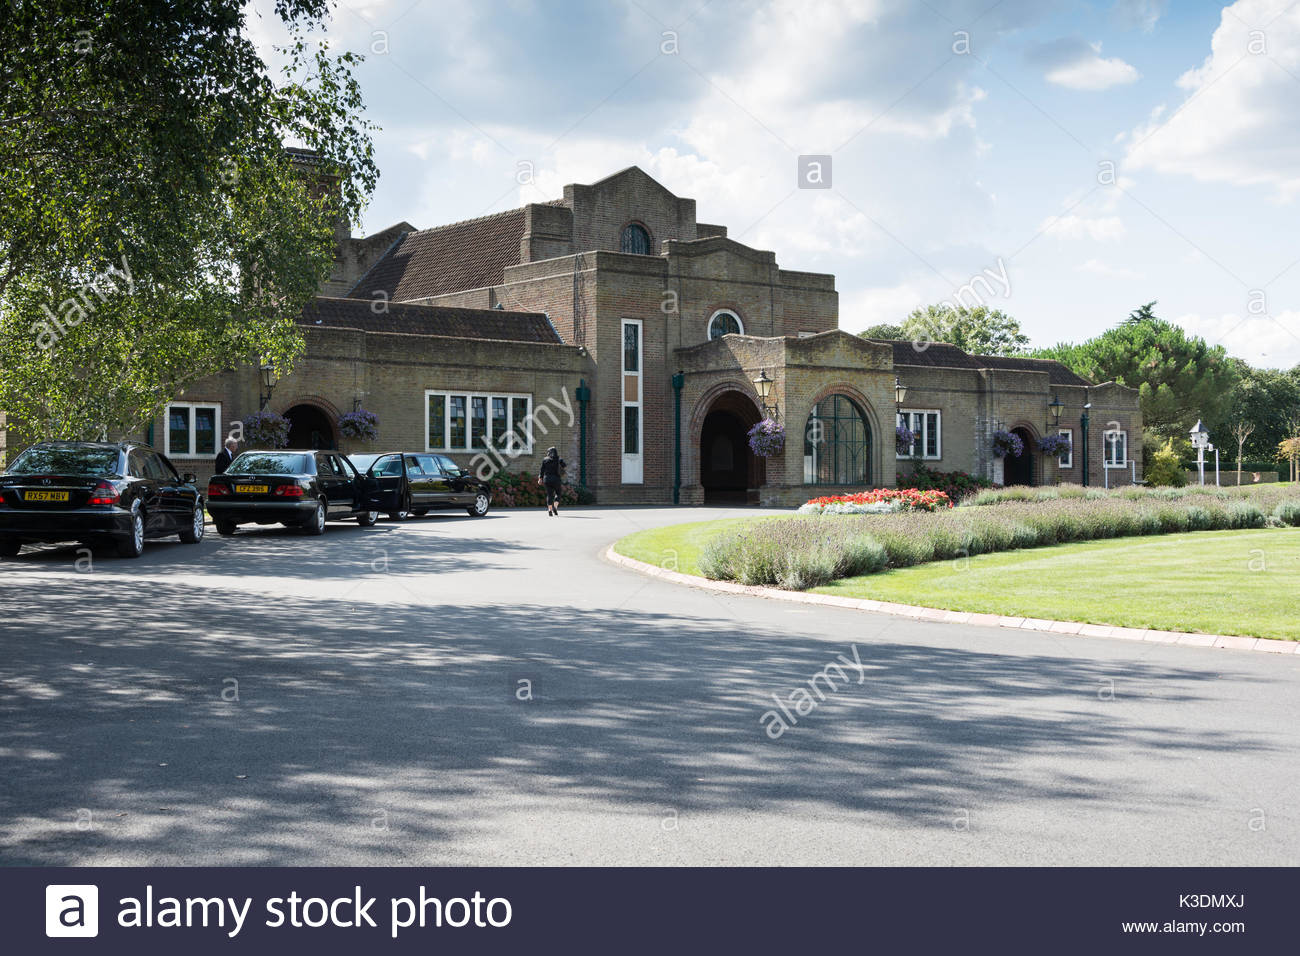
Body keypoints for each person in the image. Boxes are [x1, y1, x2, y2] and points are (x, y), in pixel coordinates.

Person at [537, 446, 566, 516]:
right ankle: (555, 507)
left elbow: (542, 470)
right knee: (558, 493)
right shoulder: (559, 459)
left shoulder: (545, 460)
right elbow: (564, 465)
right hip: (556, 479)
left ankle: (550, 510)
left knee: (549, 495)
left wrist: (540, 478)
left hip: (547, 480)